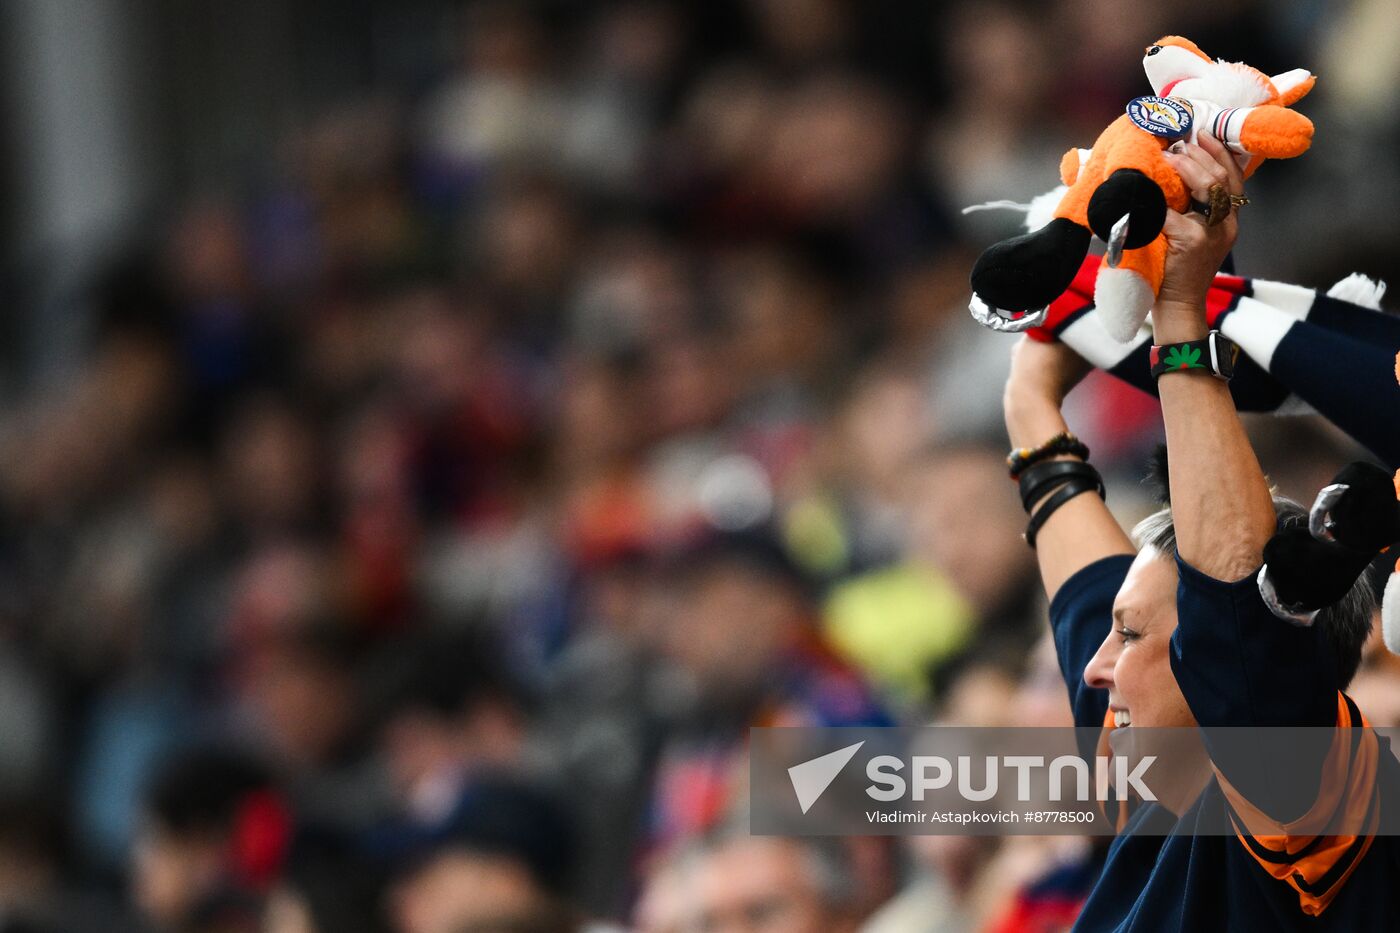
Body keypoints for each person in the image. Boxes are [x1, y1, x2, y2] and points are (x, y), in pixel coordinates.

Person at [1002, 130, 1400, 929]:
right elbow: (1090, 589)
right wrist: (1035, 405)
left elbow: (1234, 601)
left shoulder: (1302, 790)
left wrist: (1183, 318)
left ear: (1208, 660)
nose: (1094, 669)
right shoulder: (1148, 772)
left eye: (1129, 635)